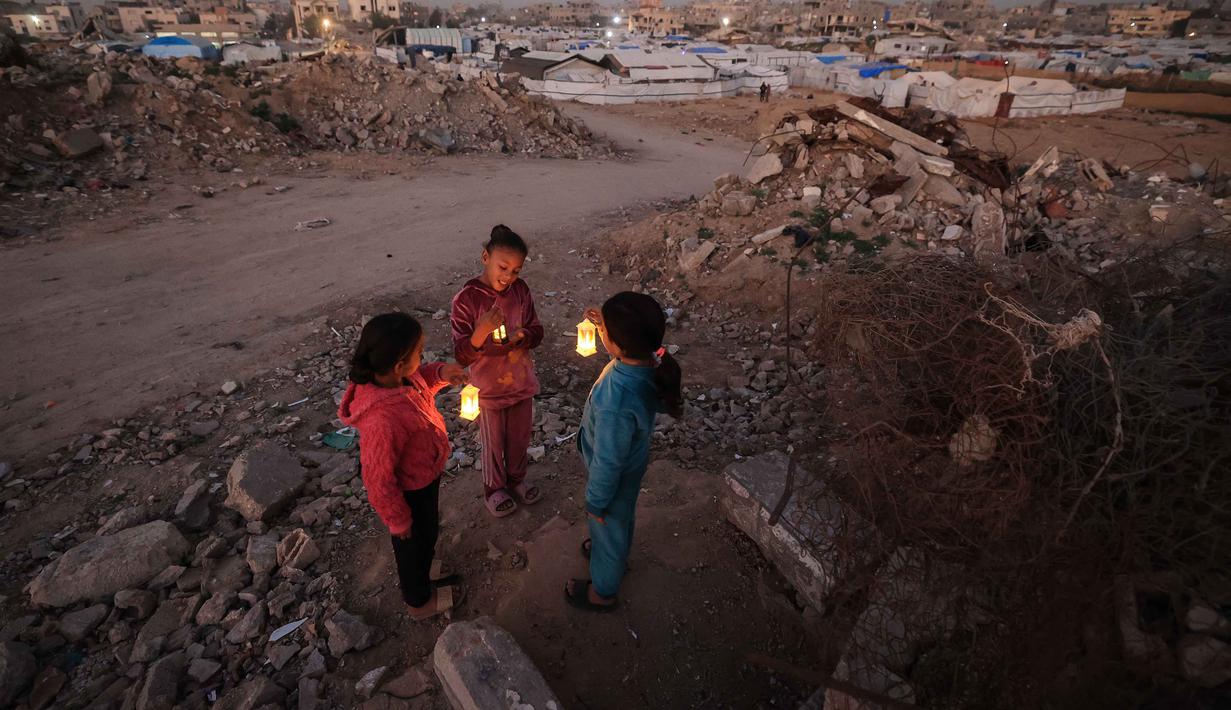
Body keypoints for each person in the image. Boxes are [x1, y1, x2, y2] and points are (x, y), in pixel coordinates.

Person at [338, 313, 468, 620]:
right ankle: (419, 601)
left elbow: (422, 380)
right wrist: (399, 522)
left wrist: (441, 373)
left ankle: (426, 566)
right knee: (411, 545)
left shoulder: (401, 379)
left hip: (425, 476)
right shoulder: (382, 420)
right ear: (399, 364)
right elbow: (378, 480)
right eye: (419, 352)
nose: (422, 357)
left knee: (429, 530)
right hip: (409, 492)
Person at [565, 292, 684, 612]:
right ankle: (611, 552)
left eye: (605, 331)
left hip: (614, 476)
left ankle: (603, 590)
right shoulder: (647, 363)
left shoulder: (615, 401)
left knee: (608, 522)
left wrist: (596, 502)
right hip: (632, 464)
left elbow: (607, 461)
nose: (600, 332)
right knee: (621, 518)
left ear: (617, 345)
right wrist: (607, 324)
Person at [451, 225, 545, 518]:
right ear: (485, 257)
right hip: (488, 386)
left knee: (519, 437)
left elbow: (537, 330)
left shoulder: (520, 291)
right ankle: (494, 488)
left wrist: (522, 336)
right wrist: (481, 332)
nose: (509, 276)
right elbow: (461, 353)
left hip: (520, 380)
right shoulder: (467, 300)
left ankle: (517, 480)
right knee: (493, 442)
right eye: (503, 267)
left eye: (516, 270)